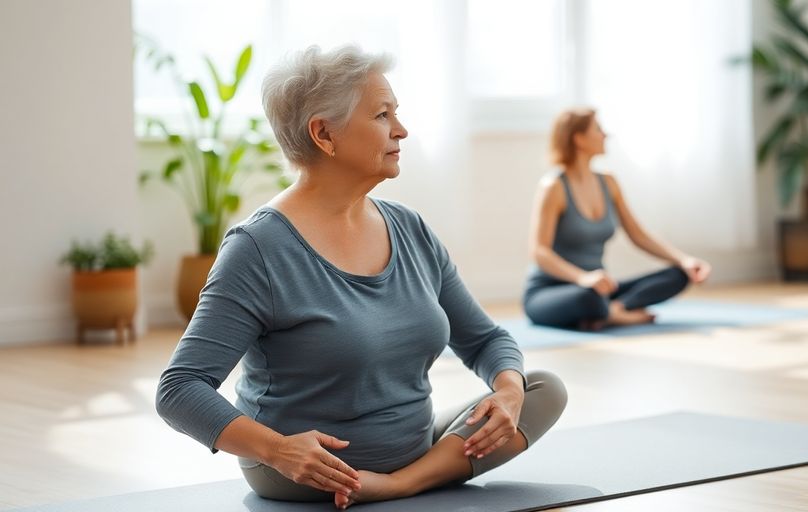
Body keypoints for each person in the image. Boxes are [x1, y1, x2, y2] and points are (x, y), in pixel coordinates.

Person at [156, 45, 567, 510]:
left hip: (410, 447)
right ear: (323, 133)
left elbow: (485, 339)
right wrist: (278, 450)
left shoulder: (409, 228)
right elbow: (180, 388)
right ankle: (419, 477)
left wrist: (509, 392)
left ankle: (403, 483)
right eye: (382, 114)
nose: (401, 130)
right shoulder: (257, 249)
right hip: (307, 474)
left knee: (540, 389)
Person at [524, 108, 712, 331]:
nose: (606, 135)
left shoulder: (609, 182)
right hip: (552, 292)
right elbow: (539, 252)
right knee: (588, 298)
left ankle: (614, 311)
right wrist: (583, 278)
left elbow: (637, 234)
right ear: (579, 138)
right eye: (598, 129)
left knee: (679, 275)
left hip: (601, 288)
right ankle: (610, 313)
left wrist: (684, 260)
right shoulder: (553, 187)